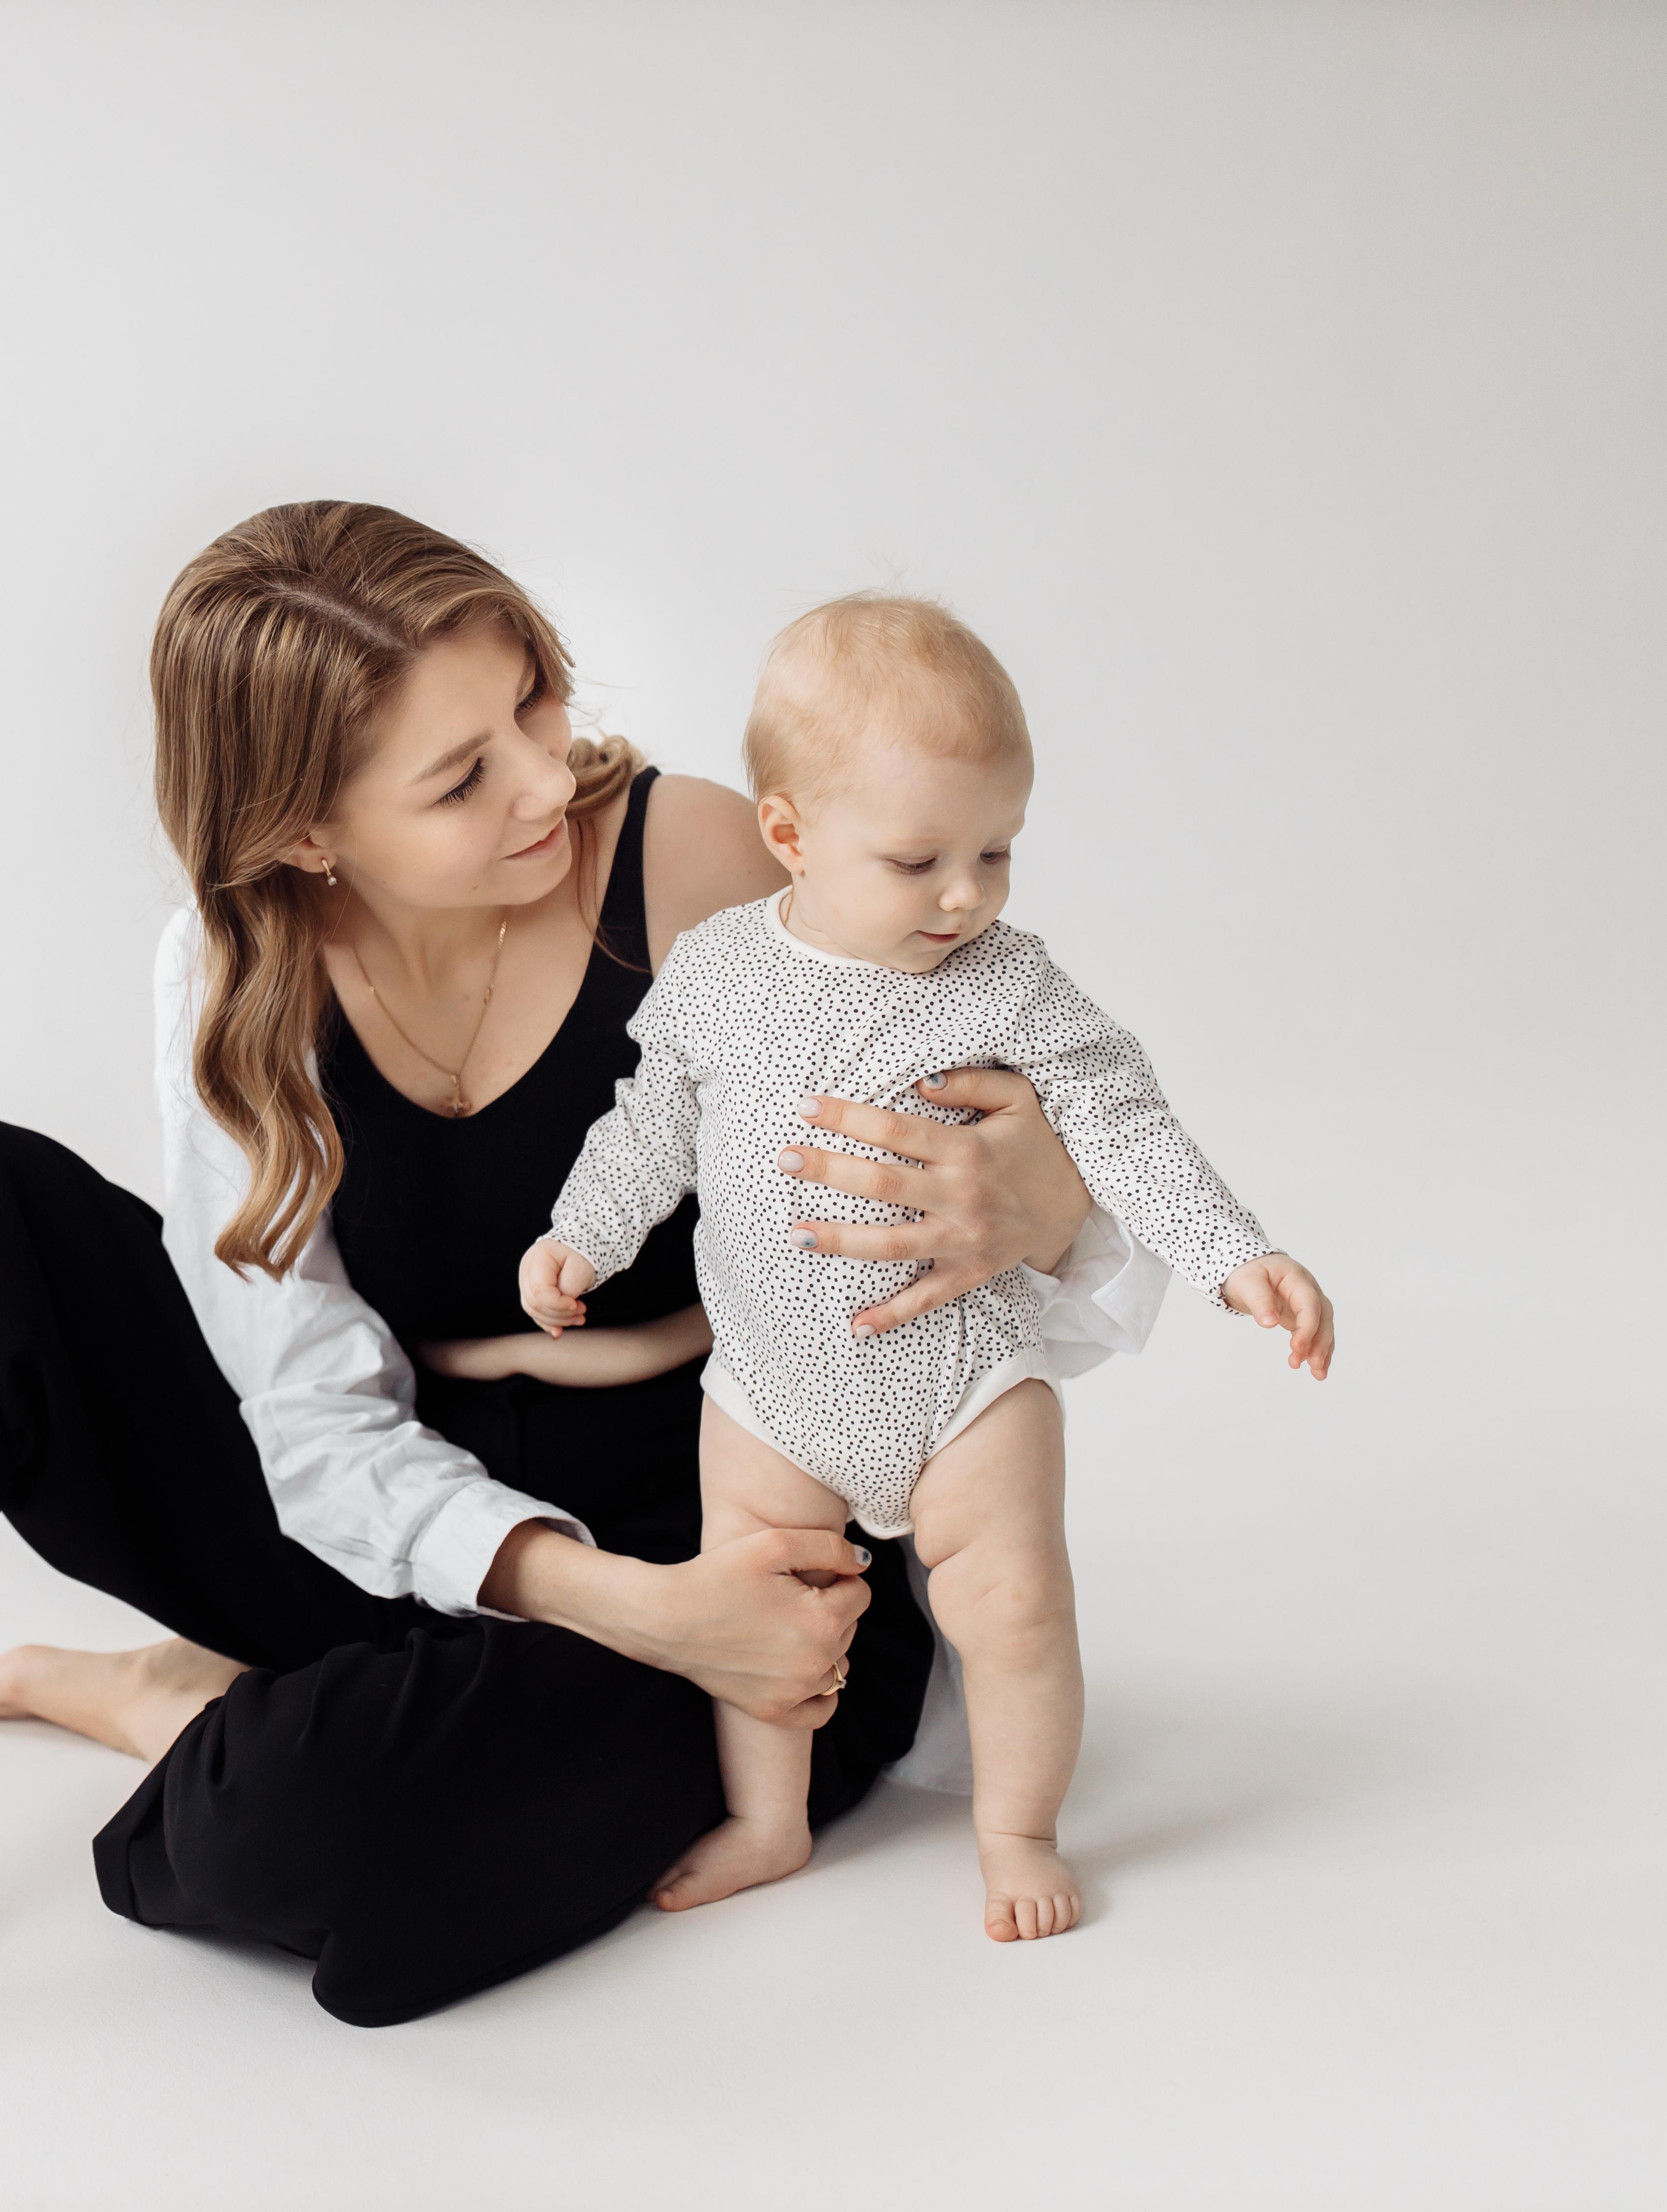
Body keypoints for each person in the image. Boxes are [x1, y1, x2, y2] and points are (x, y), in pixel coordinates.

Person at [0, 503, 1164, 2085]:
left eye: (532, 698)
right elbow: (306, 1414)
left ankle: (191, 1697)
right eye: (460, 776)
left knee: (303, 1846)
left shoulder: (706, 867)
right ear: (306, 831)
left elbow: (1036, 1163)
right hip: (409, 1506)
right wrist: (616, 1610)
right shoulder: (237, 971)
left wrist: (1045, 1203)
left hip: (739, 1519)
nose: (540, 781)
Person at [520, 592, 1334, 1942]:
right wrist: (584, 1236)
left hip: (964, 1379)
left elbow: (1126, 1122)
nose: (967, 895)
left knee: (1015, 1604)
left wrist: (1232, 1252)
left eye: (997, 851)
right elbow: (649, 1118)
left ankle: (1017, 1828)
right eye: (918, 861)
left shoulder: (1011, 984)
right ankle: (770, 1820)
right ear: (789, 833)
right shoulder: (721, 971)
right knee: (765, 1610)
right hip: (773, 1390)